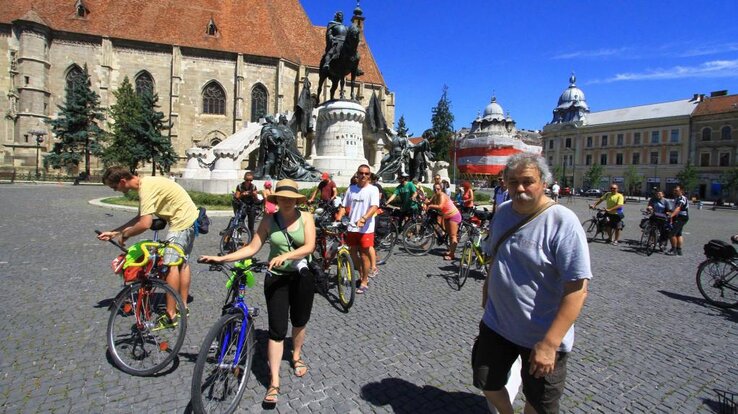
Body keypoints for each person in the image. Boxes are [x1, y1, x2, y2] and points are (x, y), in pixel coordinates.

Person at [474, 153, 591, 414]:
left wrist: (550, 344)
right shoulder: (503, 212)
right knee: (486, 382)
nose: (520, 188)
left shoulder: (563, 221)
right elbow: (496, 256)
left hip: (541, 334)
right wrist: (487, 291)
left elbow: (578, 290)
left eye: (528, 181)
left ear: (544, 182)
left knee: (540, 403)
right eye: (513, 181)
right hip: (497, 324)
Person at [199, 179, 316, 404]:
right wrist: (222, 257)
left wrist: (286, 256)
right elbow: (253, 247)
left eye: (291, 198)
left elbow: (309, 246)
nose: (287, 201)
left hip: (302, 277)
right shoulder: (269, 220)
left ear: (297, 200)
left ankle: (296, 355)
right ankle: (274, 382)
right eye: (283, 198)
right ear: (277, 199)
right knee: (277, 330)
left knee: (300, 320)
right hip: (276, 279)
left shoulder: (306, 218)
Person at [97, 166, 199, 327]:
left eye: (115, 187)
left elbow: (145, 224)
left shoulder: (145, 188)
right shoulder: (146, 184)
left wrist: (126, 235)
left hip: (181, 223)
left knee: (170, 265)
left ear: (123, 181)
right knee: (182, 262)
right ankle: (183, 306)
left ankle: (171, 314)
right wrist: (114, 232)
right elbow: (139, 217)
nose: (116, 190)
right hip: (190, 219)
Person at [338, 164, 380, 294]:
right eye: (361, 173)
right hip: (352, 227)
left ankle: (364, 280)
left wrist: (364, 218)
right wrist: (339, 217)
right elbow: (344, 206)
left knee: (363, 255)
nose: (364, 176)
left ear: (369, 176)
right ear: (357, 174)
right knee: (352, 253)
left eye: (367, 174)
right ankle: (362, 272)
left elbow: (374, 207)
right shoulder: (351, 189)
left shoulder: (373, 189)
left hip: (366, 228)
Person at [426, 183, 461, 261]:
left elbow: (440, 206)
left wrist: (430, 206)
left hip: (453, 215)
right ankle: (450, 250)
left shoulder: (442, 195)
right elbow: (429, 202)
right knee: (448, 233)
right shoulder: (435, 195)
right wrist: (423, 200)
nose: (436, 190)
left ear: (441, 189)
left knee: (452, 236)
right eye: (435, 189)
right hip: (446, 216)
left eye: (438, 189)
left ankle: (452, 255)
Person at [668, 185, 689, 256]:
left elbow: (678, 208)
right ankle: (679, 250)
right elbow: (674, 207)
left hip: (681, 217)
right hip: (679, 217)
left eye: (676, 190)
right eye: (674, 190)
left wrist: (672, 215)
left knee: (672, 233)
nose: (675, 192)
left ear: (681, 191)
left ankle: (674, 249)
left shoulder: (682, 199)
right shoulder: (677, 198)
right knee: (678, 233)